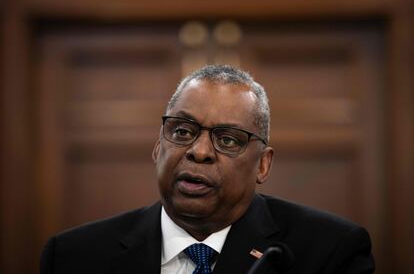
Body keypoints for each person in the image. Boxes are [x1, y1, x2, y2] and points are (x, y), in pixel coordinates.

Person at [40, 65, 375, 274]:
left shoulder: (329, 253)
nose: (199, 152)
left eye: (228, 140)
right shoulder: (73, 257)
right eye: (182, 132)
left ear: (263, 164)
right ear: (158, 145)